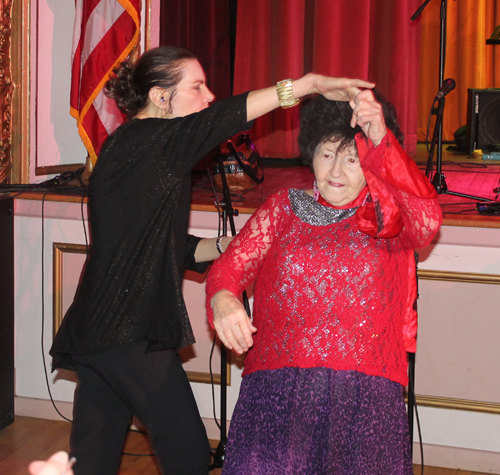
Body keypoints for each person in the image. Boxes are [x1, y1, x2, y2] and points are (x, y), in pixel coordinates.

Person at [49, 45, 374, 475]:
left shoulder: (132, 147)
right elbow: (226, 117)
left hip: (98, 331)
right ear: (160, 98)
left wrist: (226, 249)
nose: (208, 96)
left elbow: (159, 245)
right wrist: (310, 85)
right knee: (187, 451)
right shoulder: (153, 140)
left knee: (92, 458)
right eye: (196, 86)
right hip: (127, 333)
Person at [206, 89, 442, 474]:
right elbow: (230, 267)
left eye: (352, 159)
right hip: (278, 390)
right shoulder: (282, 208)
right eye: (328, 154)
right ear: (311, 153)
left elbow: (428, 220)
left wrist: (381, 138)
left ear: (371, 165)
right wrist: (223, 298)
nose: (336, 172)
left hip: (365, 396)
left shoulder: (390, 217)